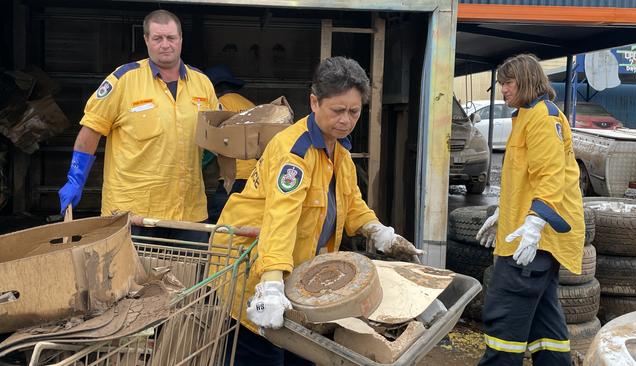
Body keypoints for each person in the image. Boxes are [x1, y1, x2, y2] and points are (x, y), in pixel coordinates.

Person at [213, 56, 423, 365]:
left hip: (298, 279)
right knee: (263, 357)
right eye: (337, 110)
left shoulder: (339, 152)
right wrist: (270, 284)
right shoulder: (293, 153)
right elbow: (280, 219)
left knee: (304, 355)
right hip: (254, 274)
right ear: (314, 102)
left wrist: (378, 232)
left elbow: (351, 203)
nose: (346, 120)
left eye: (354, 112)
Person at [57, 9, 218, 243]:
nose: (165, 45)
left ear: (181, 39)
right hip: (134, 214)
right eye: (157, 38)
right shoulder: (123, 80)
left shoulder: (202, 84)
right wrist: (75, 178)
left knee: (187, 278)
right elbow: (91, 130)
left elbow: (217, 135)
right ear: (146, 40)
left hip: (188, 213)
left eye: (171, 38)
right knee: (131, 279)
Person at [475, 54, 585, 366]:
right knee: (544, 326)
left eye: (507, 83)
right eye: (500, 84)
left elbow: (550, 177)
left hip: (533, 242)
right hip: (531, 237)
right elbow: (524, 177)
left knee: (504, 320)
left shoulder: (542, 117)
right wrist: (503, 212)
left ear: (525, 80)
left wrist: (535, 223)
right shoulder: (527, 115)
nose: (503, 90)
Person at [202, 64, 257, 222]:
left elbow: (212, 140)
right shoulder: (249, 105)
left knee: (217, 220)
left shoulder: (219, 104)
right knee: (241, 220)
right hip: (254, 174)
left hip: (232, 174)